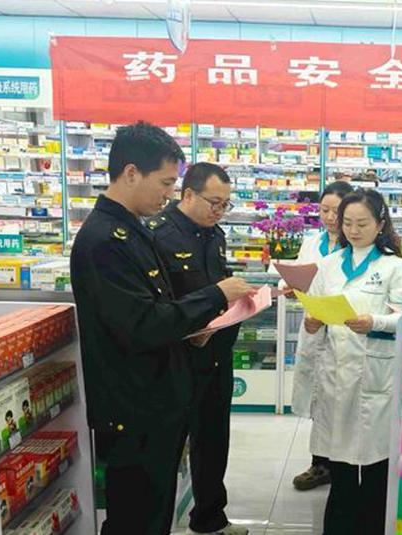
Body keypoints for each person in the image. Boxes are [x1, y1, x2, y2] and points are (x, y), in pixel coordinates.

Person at [70, 121, 254, 535]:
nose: (169, 193)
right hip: (134, 406)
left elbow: (156, 310)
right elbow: (141, 324)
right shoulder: (106, 240)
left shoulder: (132, 229)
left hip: (156, 400)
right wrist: (215, 296)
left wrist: (193, 330)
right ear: (131, 173)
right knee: (136, 519)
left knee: (153, 515)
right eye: (166, 183)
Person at [302, 188, 402, 534]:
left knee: (376, 465)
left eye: (362, 224)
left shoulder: (395, 267)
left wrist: (374, 322)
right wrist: (313, 322)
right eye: (347, 223)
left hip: (374, 377)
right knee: (340, 466)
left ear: (380, 224)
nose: (353, 230)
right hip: (336, 374)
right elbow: (315, 308)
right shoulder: (329, 265)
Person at [146, 162, 248, 535]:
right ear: (188, 194)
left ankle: (210, 517)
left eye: (225, 205)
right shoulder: (157, 235)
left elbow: (215, 287)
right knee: (169, 446)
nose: (219, 211)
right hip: (177, 359)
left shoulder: (214, 235)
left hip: (216, 353)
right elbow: (157, 307)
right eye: (214, 203)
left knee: (214, 439)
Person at [286, 180, 354, 492]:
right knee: (318, 399)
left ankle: (340, 463)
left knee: (341, 398)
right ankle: (320, 463)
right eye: (324, 210)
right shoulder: (312, 243)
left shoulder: (356, 246)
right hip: (314, 327)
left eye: (336, 211)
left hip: (344, 330)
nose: (329, 217)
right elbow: (302, 279)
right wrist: (291, 288)